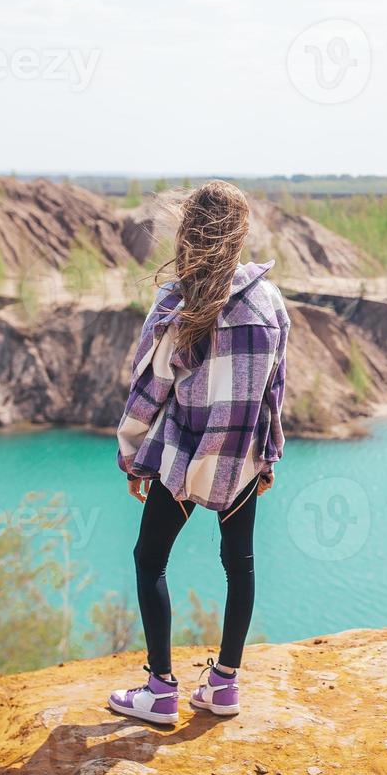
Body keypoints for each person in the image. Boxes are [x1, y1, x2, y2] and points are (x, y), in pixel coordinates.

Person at [107, 180, 289, 725]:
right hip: (242, 460)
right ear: (239, 234)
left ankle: (160, 690)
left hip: (184, 457)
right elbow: (276, 387)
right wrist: (270, 454)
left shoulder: (176, 303)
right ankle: (224, 686)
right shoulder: (269, 301)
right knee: (241, 565)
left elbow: (148, 393)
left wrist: (132, 456)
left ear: (188, 233)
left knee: (149, 559)